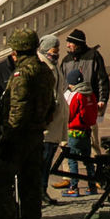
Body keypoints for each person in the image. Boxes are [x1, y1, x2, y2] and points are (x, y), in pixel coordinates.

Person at [0, 27, 57, 219]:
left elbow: (17, 110)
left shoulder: (21, 75)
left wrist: (8, 137)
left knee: (1, 182)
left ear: (17, 49)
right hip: (36, 135)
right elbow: (52, 105)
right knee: (31, 184)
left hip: (17, 136)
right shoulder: (45, 71)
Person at [64, 29, 110, 148]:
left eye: (70, 42)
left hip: (89, 106)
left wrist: (102, 99)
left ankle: (95, 163)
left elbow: (102, 80)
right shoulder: (66, 60)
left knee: (93, 141)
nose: (67, 45)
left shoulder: (93, 57)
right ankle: (70, 166)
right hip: (71, 108)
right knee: (66, 144)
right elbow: (62, 83)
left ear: (78, 44)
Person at [59, 64, 99, 195]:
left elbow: (69, 114)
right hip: (87, 131)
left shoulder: (76, 95)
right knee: (88, 160)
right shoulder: (90, 93)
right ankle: (92, 186)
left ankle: (74, 187)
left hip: (74, 132)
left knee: (73, 160)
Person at [38, 34, 66, 196]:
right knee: (44, 159)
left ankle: (42, 190)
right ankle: (40, 191)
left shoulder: (53, 65)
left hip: (56, 122)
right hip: (47, 124)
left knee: (47, 160)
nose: (56, 53)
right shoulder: (44, 66)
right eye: (53, 50)